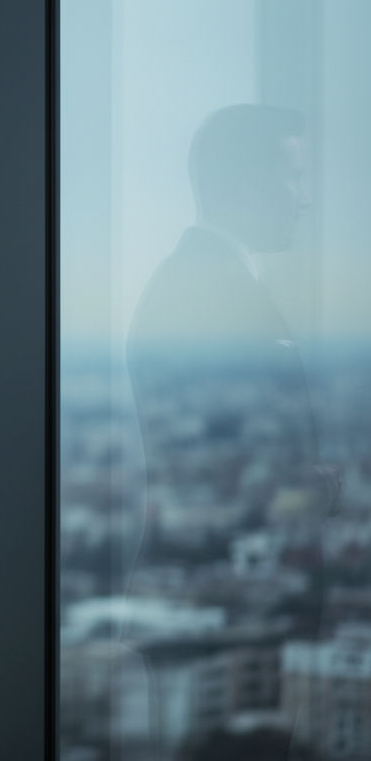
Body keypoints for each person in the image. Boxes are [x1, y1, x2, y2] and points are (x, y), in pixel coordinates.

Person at [125, 105, 336, 758]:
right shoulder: (207, 291)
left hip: (234, 586)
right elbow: (233, 464)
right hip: (230, 593)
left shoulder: (209, 280)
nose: (307, 198)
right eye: (294, 177)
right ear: (250, 185)